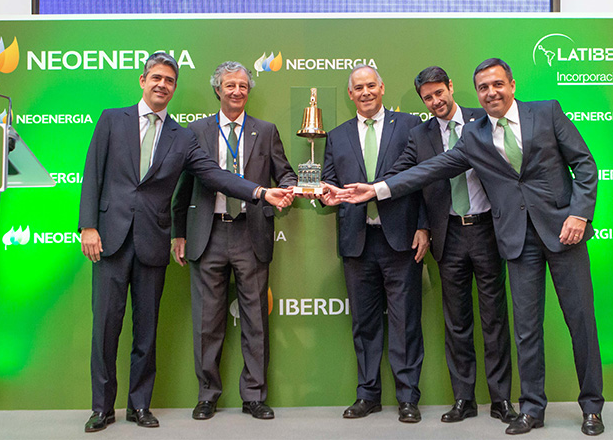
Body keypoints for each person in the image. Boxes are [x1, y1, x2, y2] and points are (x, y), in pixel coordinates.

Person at [342, 58, 604, 436]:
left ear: (512, 85)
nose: (491, 92)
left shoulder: (546, 113)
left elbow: (585, 165)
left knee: (580, 322)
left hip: (564, 233)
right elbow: (431, 169)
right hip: (517, 240)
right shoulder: (476, 135)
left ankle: (592, 408)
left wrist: (579, 215)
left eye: (497, 84)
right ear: (477, 93)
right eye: (483, 88)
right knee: (526, 330)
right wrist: (377, 189)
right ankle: (531, 409)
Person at [78, 53, 293, 433]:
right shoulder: (112, 119)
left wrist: (260, 191)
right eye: (156, 78)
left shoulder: (182, 135)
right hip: (110, 239)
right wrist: (88, 227)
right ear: (142, 80)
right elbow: (92, 173)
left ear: (175, 88)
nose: (162, 85)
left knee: (146, 330)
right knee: (105, 328)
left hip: (151, 242)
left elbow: (214, 175)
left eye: (170, 81)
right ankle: (102, 407)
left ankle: (140, 406)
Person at [387, 66, 516, 424]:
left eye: (439, 93)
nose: (435, 101)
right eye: (427, 98)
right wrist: (359, 188)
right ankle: (464, 399)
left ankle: (501, 399)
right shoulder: (419, 136)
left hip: (489, 229)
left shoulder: (484, 118)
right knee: (457, 322)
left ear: (450, 88)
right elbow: (402, 177)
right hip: (450, 235)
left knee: (494, 319)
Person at [171, 61, 297, 421]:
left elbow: (284, 172)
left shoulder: (266, 130)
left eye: (243, 85)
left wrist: (287, 188)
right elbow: (183, 187)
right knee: (206, 322)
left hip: (250, 232)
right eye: (230, 85)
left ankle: (254, 395)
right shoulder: (195, 131)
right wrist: (178, 232)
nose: (237, 91)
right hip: (206, 233)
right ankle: (207, 395)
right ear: (217, 89)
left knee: (256, 318)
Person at [319, 65, 427, 423]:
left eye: (371, 86)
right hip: (357, 242)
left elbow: (426, 181)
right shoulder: (335, 136)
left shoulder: (410, 125)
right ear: (350, 94)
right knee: (365, 324)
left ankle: (408, 397)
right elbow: (329, 183)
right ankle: (368, 395)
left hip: (401, 238)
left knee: (405, 322)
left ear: (382, 88)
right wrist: (325, 197)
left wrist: (424, 226)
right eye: (358, 88)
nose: (365, 92)